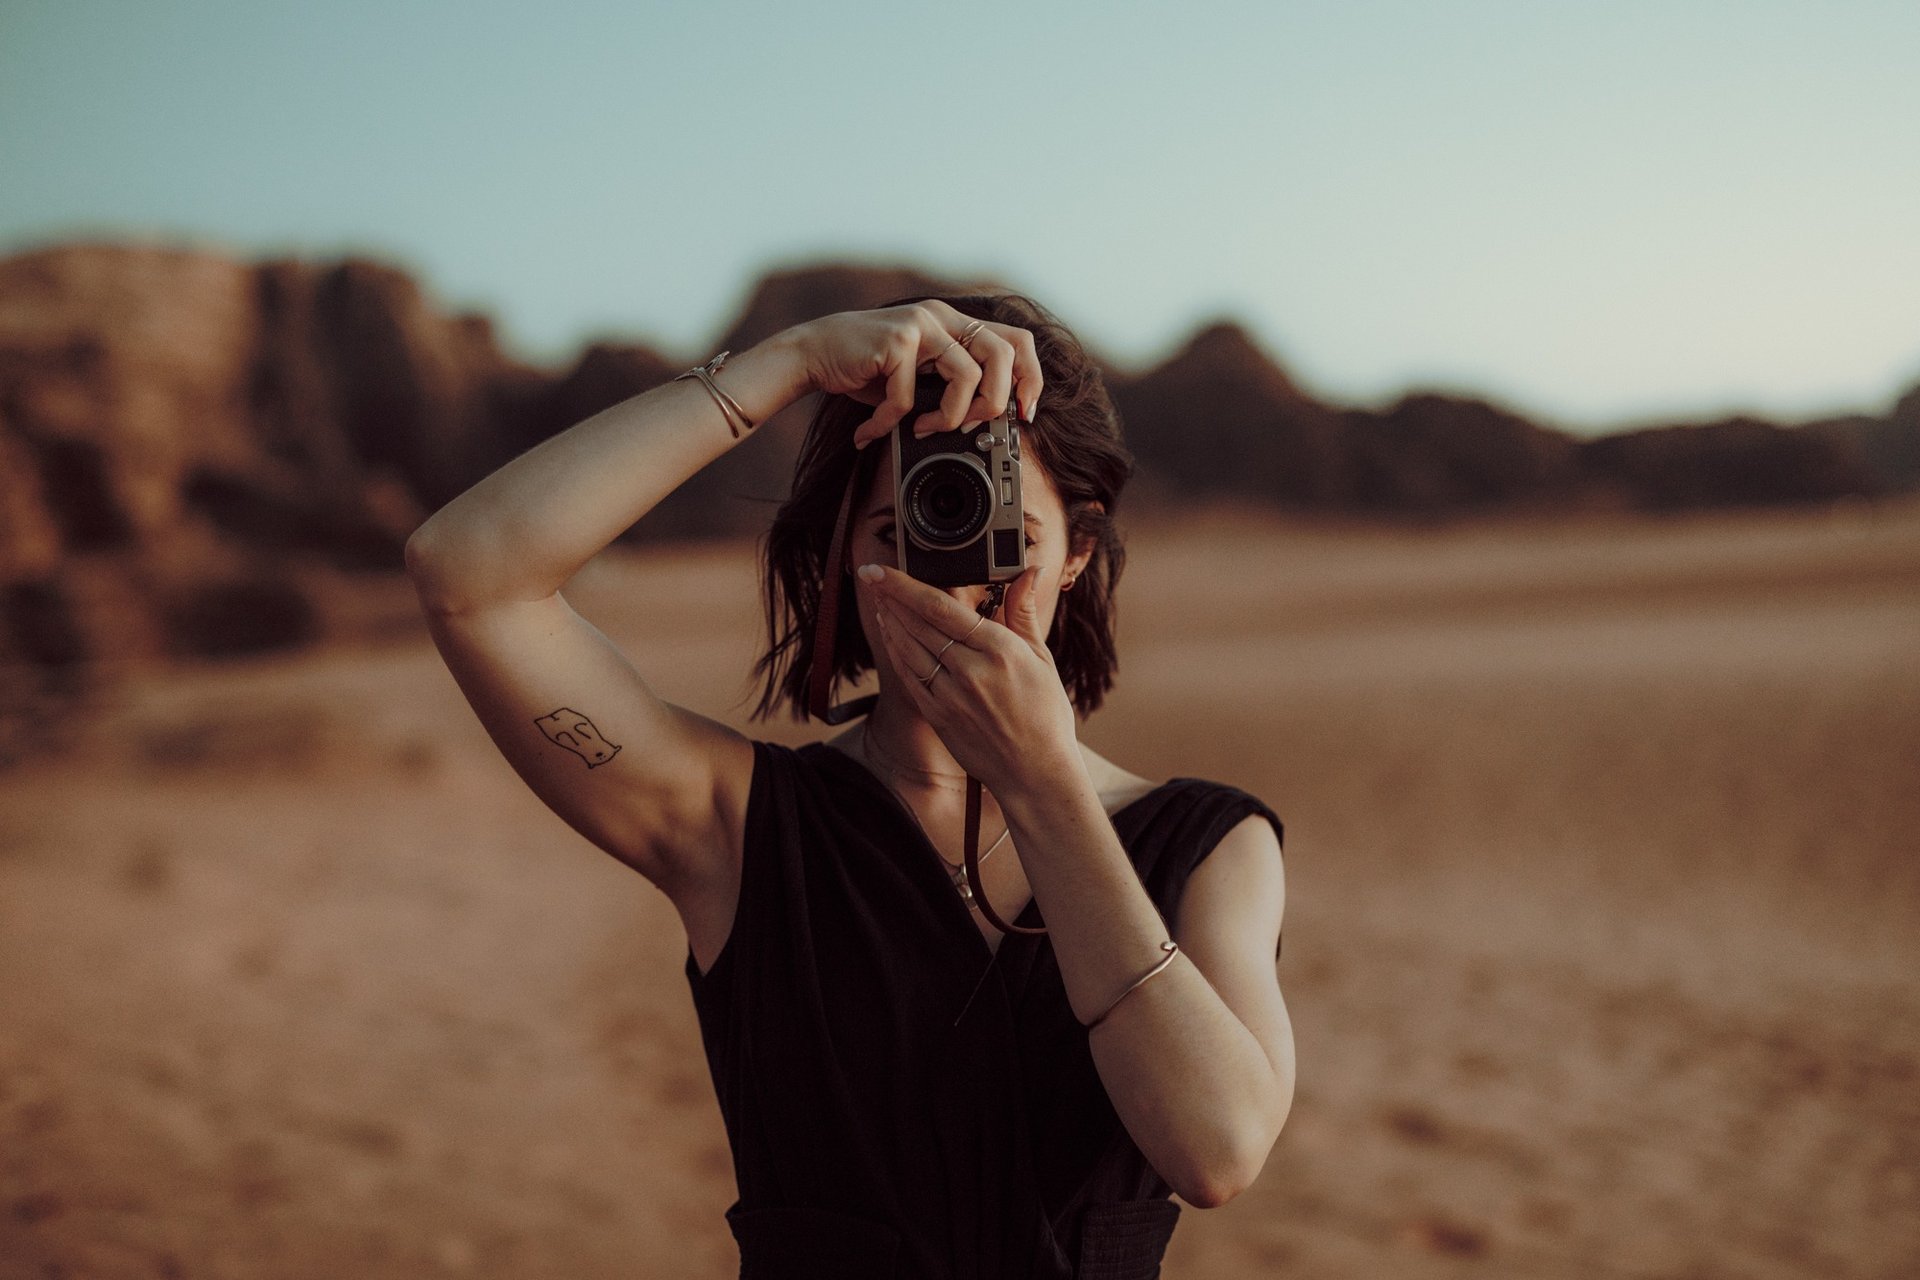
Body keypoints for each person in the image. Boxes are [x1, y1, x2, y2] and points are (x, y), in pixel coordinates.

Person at [404, 292, 1294, 1279]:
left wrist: (1040, 784)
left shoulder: (1211, 845)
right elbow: (467, 571)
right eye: (901, 524)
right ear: (841, 558)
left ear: (1079, 552)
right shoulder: (739, 825)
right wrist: (782, 363)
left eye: (1003, 530)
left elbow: (1218, 1147)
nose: (946, 574)